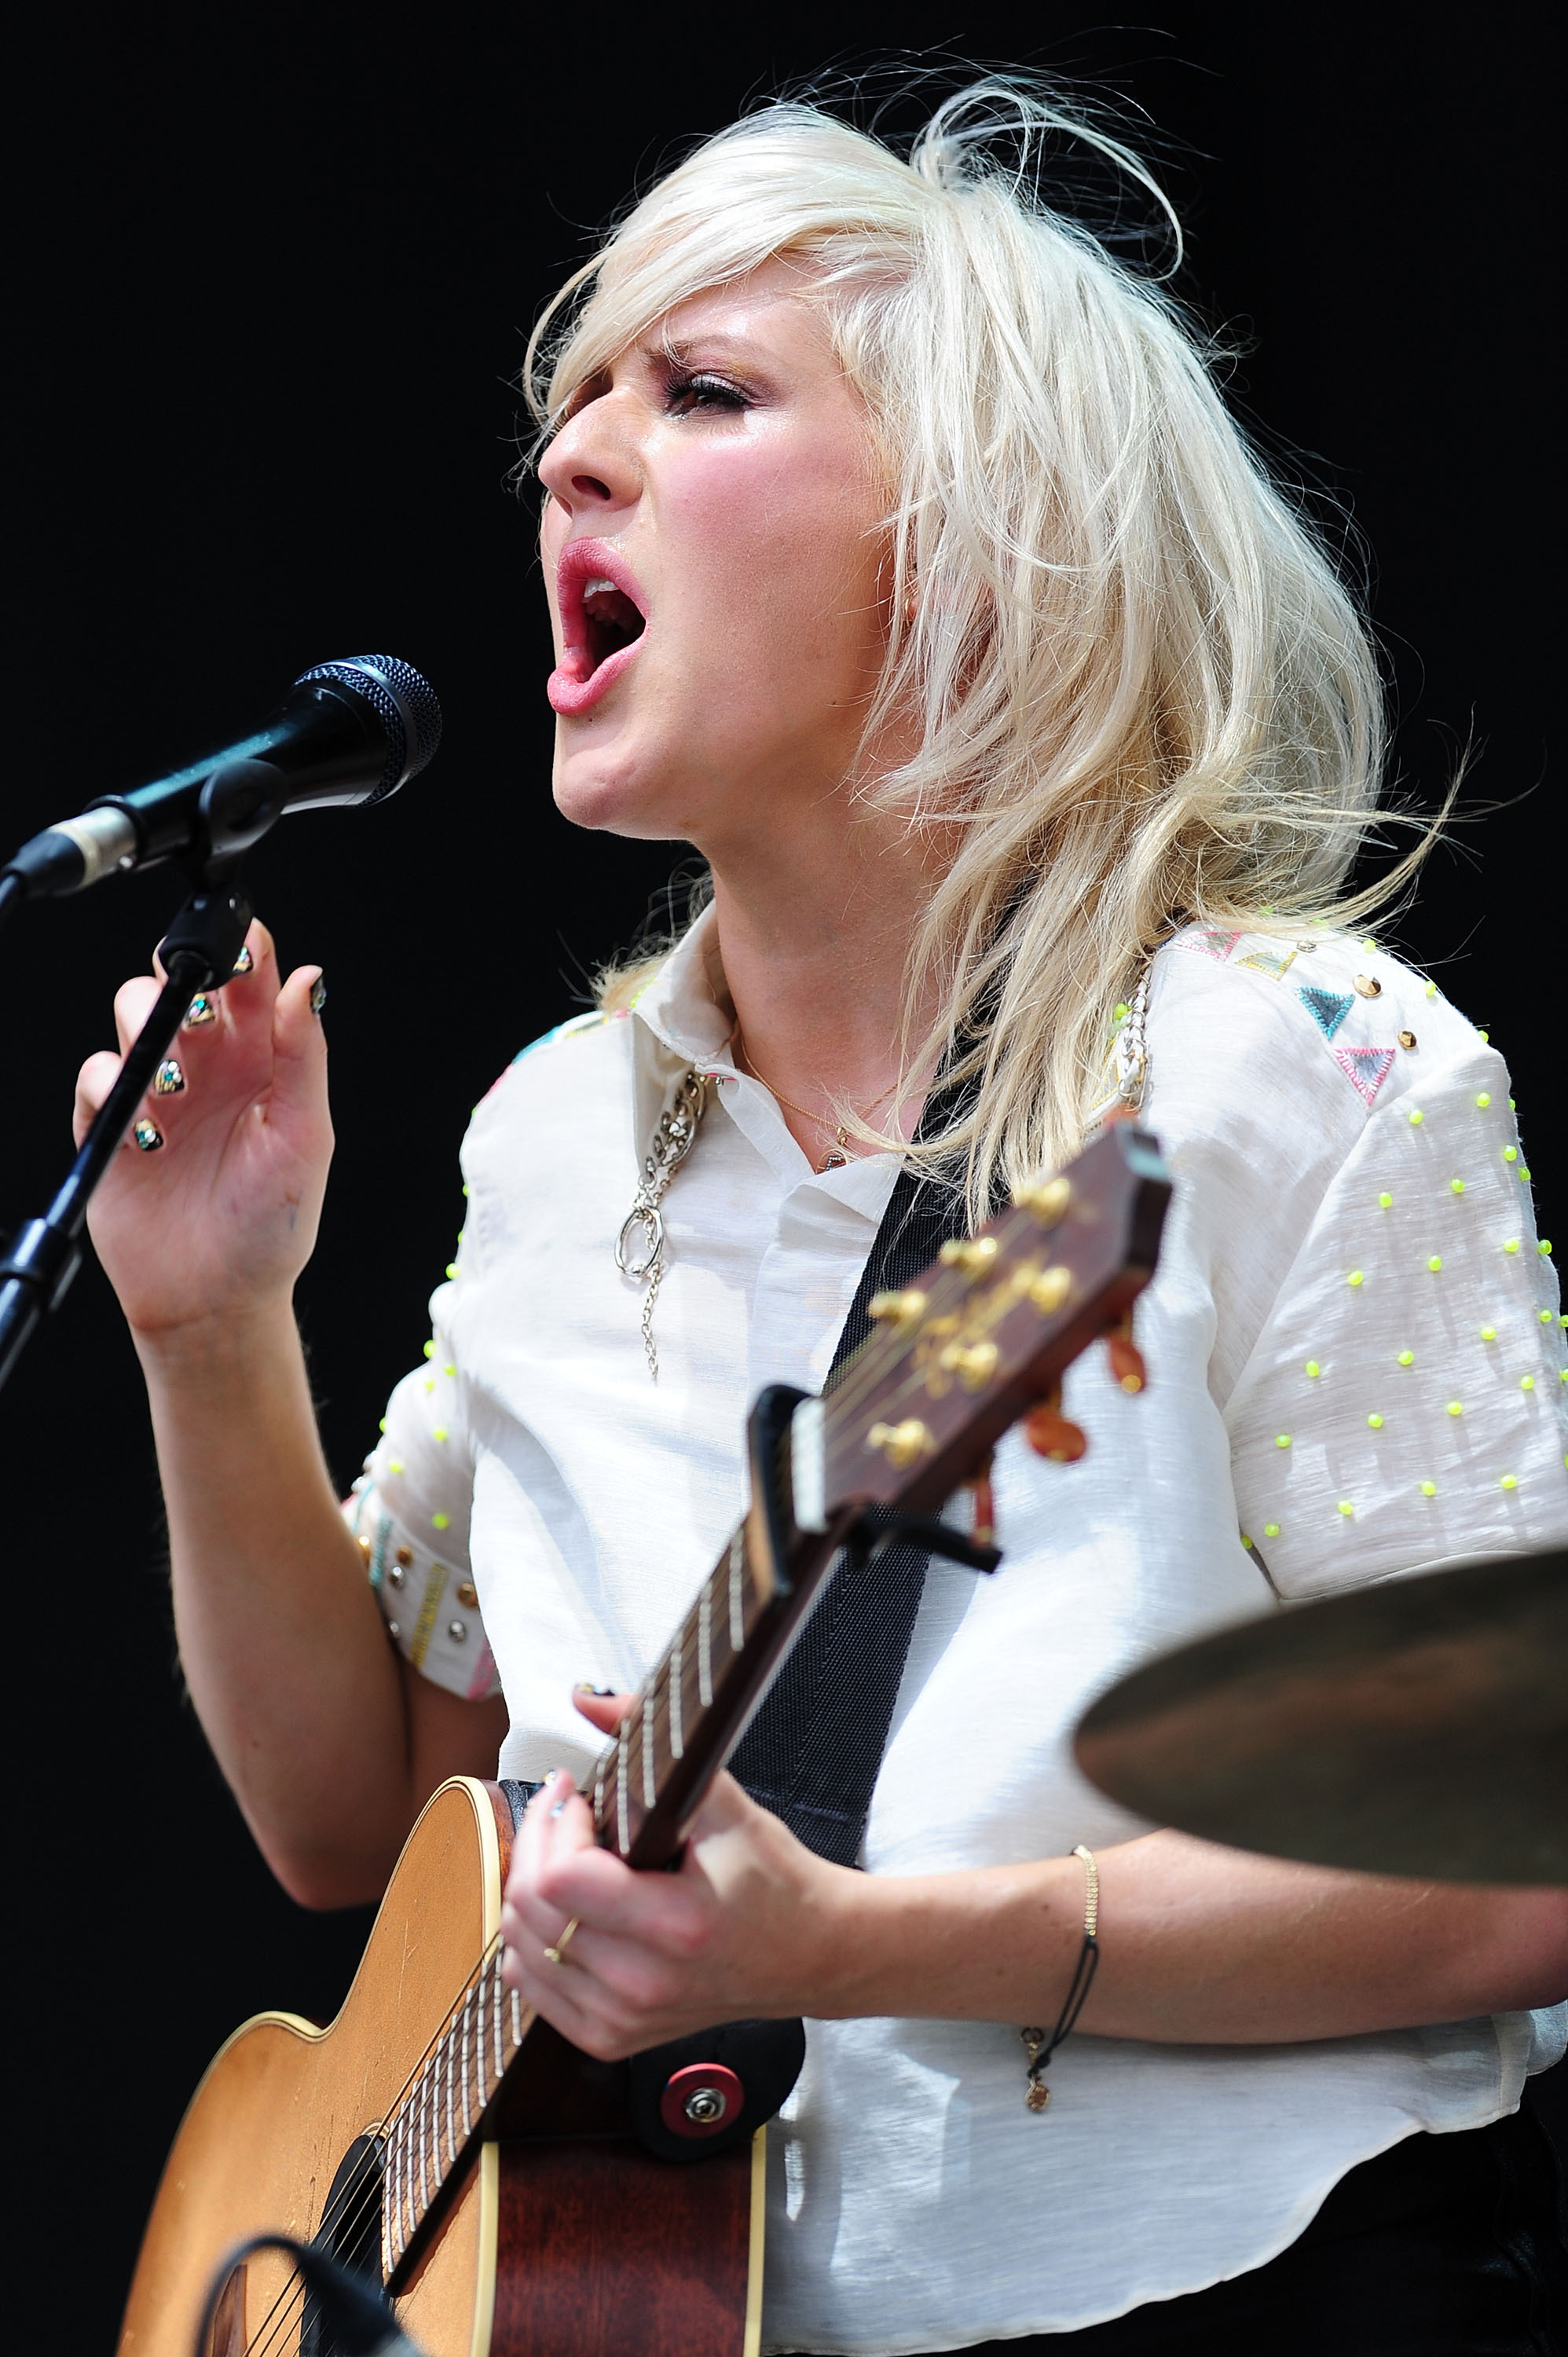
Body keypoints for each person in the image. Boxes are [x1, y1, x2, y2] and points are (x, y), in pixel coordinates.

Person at [79, 84, 1567, 2356]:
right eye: (577, 407)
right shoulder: (557, 1134)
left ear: (980, 536)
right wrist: (211, 1330)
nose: (573, 458)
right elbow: (366, 1815)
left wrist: (861, 1948)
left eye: (700, 395)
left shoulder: (1305, 1066)